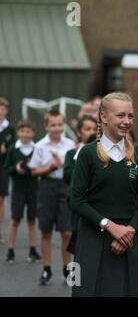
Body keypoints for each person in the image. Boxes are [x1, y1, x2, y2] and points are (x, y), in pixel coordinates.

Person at [70, 92, 138, 296]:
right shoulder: (87, 153)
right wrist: (110, 226)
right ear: (103, 117)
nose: (127, 121)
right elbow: (77, 199)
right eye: (120, 115)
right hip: (92, 237)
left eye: (130, 116)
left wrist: (129, 230)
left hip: (127, 239)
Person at [29, 110, 75, 285]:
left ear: (63, 126)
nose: (57, 128)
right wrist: (50, 168)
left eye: (60, 124)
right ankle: (46, 269)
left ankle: (67, 269)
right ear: (46, 126)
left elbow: (73, 167)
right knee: (46, 230)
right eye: (53, 125)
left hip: (65, 187)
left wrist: (62, 165)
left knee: (67, 232)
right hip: (47, 186)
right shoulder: (40, 146)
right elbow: (33, 171)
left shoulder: (70, 144)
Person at [4, 120, 41, 263]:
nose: (25, 134)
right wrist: (16, 169)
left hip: (33, 189)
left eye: (28, 131)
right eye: (22, 131)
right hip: (18, 190)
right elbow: (7, 167)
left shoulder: (37, 148)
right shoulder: (13, 149)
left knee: (32, 220)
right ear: (18, 133)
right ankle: (10, 251)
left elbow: (42, 166)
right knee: (15, 220)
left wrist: (34, 169)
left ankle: (32, 250)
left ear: (33, 133)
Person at [63, 116, 97, 254]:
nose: (92, 132)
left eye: (95, 129)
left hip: (96, 204)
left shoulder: (102, 153)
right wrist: (80, 158)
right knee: (77, 244)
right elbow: (68, 177)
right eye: (87, 129)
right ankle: (71, 272)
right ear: (79, 132)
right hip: (79, 204)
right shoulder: (72, 153)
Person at [0, 97, 16, 244]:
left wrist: (5, 150)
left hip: (2, 168)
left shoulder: (10, 129)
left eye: (2, 108)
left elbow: (11, 149)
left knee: (1, 200)